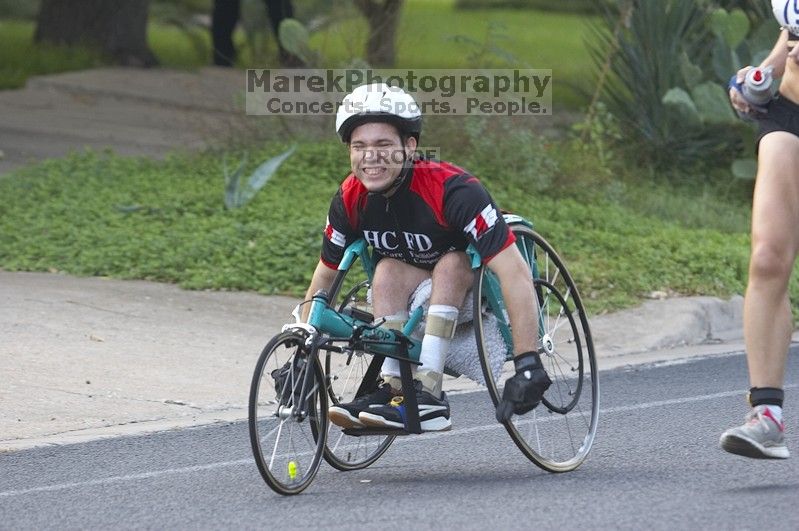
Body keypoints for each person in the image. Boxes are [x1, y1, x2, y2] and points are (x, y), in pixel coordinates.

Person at [301, 83, 551, 431]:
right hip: (413, 286)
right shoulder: (349, 198)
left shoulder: (455, 190)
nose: (370, 157)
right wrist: (302, 345)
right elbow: (325, 274)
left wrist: (528, 359)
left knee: (450, 263)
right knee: (386, 269)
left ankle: (429, 393)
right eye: (359, 147)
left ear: (410, 146)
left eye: (383, 145)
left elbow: (515, 273)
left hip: (475, 290)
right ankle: (395, 387)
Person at [720, 0, 799, 459]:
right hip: (788, 110)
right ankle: (766, 416)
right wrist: (760, 78)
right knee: (768, 256)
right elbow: (791, 33)